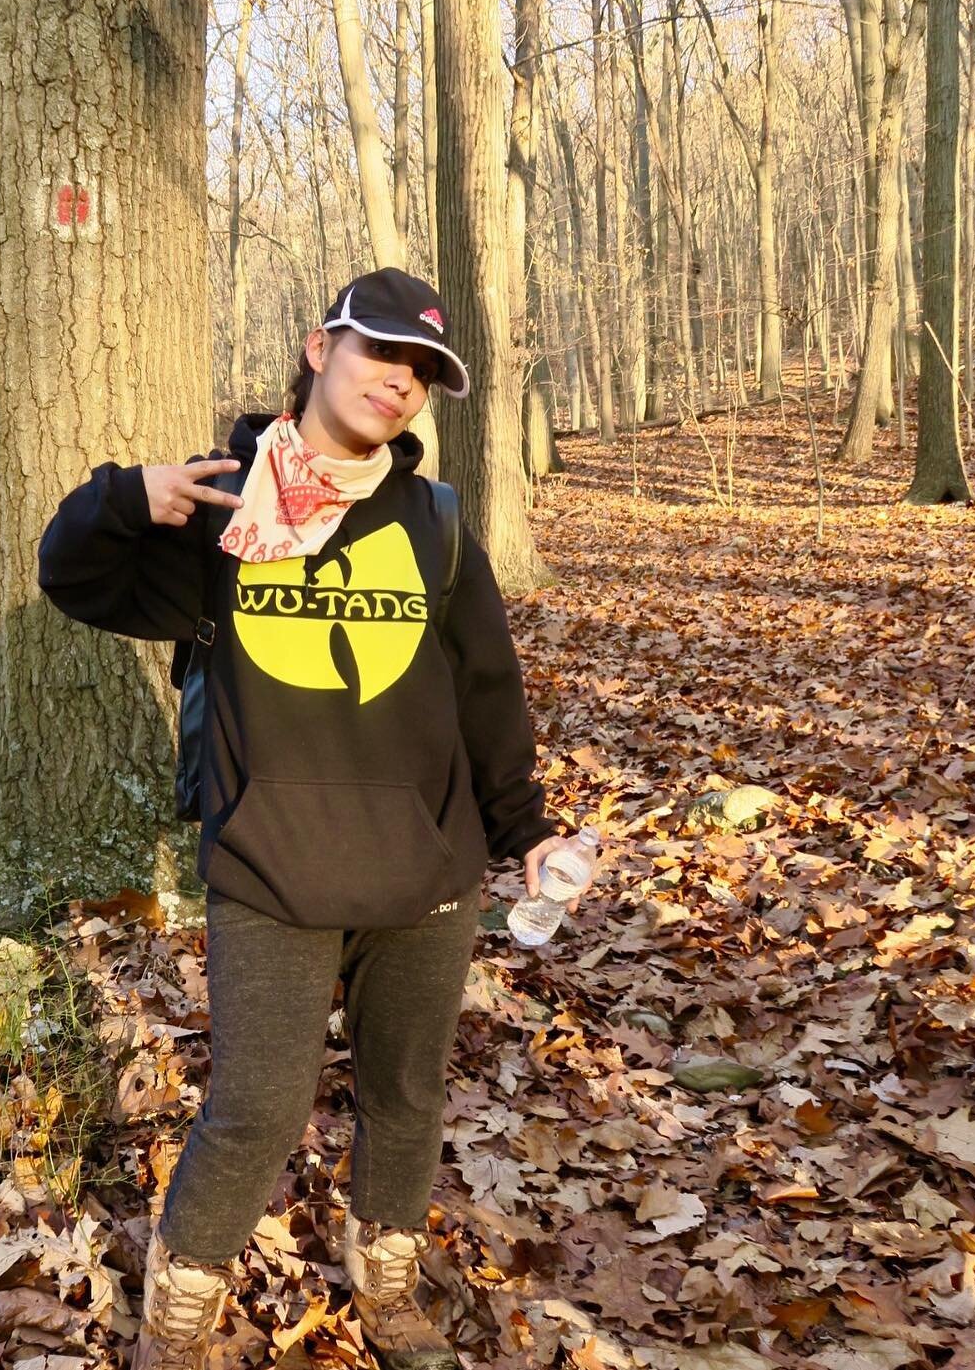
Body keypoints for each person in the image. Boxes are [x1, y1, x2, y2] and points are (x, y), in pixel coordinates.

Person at [37, 267, 580, 1370]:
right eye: (382, 352)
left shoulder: (431, 524)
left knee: (404, 1094)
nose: (400, 382)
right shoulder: (225, 507)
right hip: (269, 864)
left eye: (423, 371)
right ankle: (179, 1316)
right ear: (318, 345)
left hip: (425, 871)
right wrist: (120, 497)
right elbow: (74, 581)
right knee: (257, 1105)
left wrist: (529, 834)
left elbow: (486, 687)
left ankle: (388, 1292)